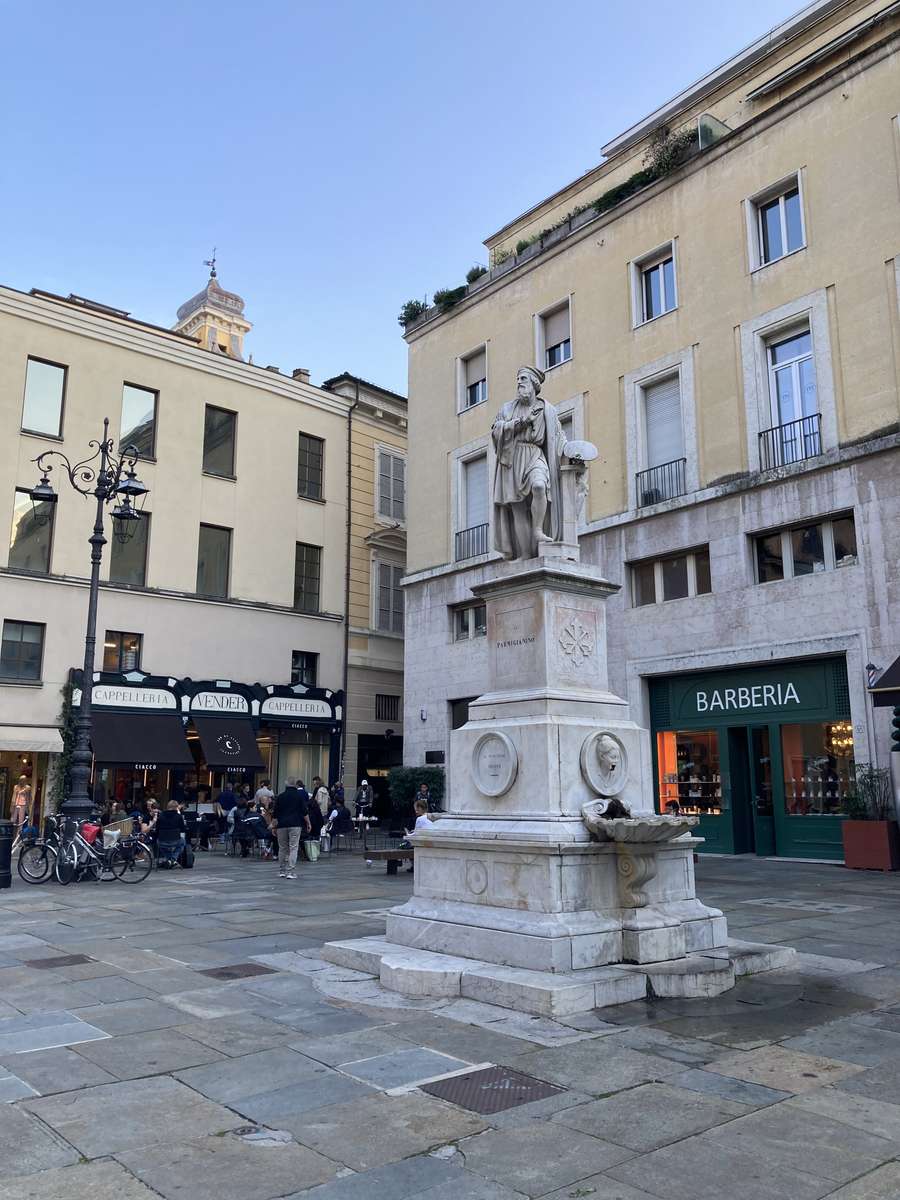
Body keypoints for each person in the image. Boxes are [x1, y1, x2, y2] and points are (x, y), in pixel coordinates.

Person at [491, 364, 566, 560]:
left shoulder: (547, 410)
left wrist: (572, 453)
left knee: (540, 486)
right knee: (517, 508)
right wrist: (517, 424)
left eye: (523, 379)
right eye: (518, 380)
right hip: (512, 459)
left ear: (533, 384)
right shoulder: (507, 408)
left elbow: (559, 438)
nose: (519, 383)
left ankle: (538, 529)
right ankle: (524, 554)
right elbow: (496, 430)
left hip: (534, 454)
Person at [272, 777, 311, 879]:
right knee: (293, 847)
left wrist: (274, 826)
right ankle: (290, 872)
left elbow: (275, 814)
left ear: (286, 784)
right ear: (295, 785)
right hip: (295, 824)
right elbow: (304, 812)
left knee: (282, 848)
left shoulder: (280, 797)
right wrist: (308, 823)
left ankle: (281, 870)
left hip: (281, 825)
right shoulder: (299, 797)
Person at [155, 799, 187, 867]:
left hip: (162, 841)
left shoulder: (161, 816)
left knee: (158, 842)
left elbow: (157, 830)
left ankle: (169, 860)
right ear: (176, 807)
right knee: (183, 842)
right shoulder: (179, 816)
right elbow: (183, 829)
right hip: (175, 841)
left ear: (167, 807)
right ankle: (173, 859)